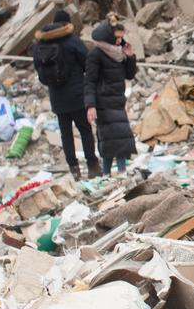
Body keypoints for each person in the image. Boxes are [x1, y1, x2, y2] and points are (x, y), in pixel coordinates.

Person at [33, 10, 100, 181]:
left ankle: (74, 169)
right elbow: (87, 62)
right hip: (77, 95)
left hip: (57, 97)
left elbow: (37, 66)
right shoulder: (72, 41)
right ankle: (92, 166)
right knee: (85, 130)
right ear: (66, 23)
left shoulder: (41, 43)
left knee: (66, 134)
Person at [84, 14, 137, 176]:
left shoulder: (118, 53)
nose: (120, 41)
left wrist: (130, 57)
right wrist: (90, 105)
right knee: (109, 138)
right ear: (108, 37)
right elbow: (90, 82)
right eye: (117, 38)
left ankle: (120, 171)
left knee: (120, 136)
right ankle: (108, 173)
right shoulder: (96, 55)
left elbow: (129, 75)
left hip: (117, 100)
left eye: (122, 37)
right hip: (103, 102)